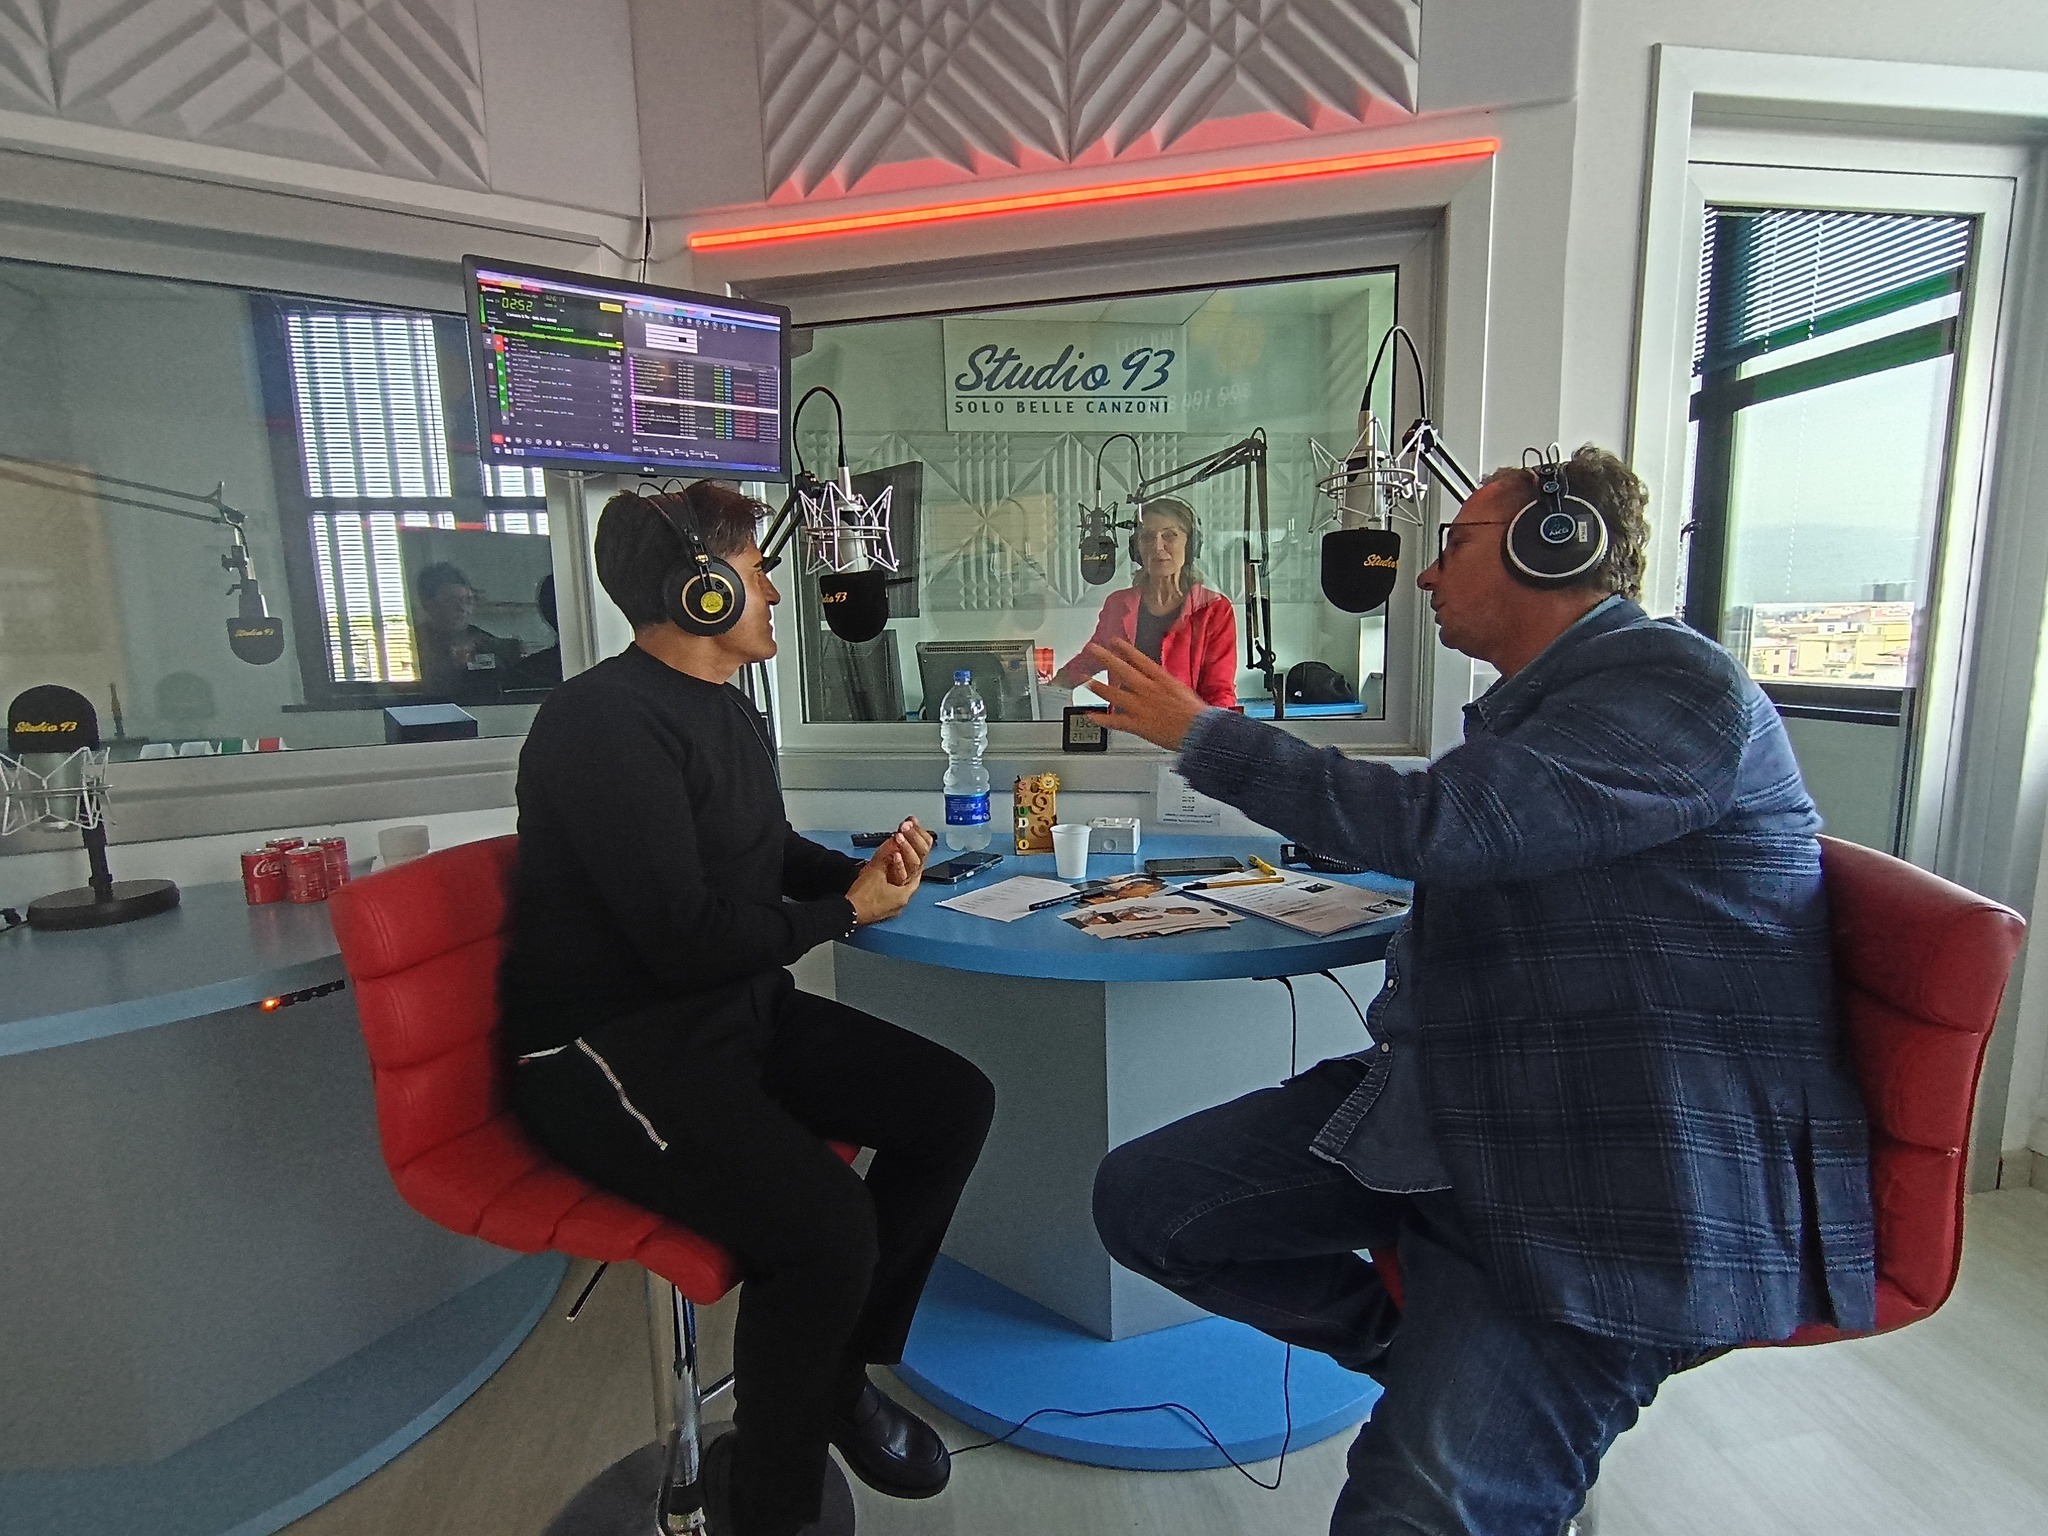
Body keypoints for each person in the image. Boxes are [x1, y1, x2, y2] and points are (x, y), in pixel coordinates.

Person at [1086, 446, 1874, 1536]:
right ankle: (1425, 1364)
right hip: (1459, 1110)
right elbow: (1476, 830)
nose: (1423, 573)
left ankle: (1472, 1397)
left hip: (1611, 1181)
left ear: (1554, 546)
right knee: (1147, 1203)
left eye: (1453, 544)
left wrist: (1201, 734)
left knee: (1409, 1519)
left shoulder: (1674, 685)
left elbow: (1449, 825)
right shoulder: (1545, 709)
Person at [501, 481, 995, 1536]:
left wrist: (861, 875)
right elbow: (680, 935)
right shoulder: (598, 725)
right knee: (826, 1232)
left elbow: (761, 851)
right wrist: (844, 914)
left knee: (952, 1104)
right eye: (758, 569)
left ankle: (836, 1377)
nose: (774, 591)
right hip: (610, 1055)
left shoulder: (722, 703)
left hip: (730, 1014)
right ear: (701, 588)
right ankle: (769, 1505)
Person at [1052, 496, 1237, 707]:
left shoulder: (1214, 609)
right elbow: (1091, 659)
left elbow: (1219, 692)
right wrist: (1051, 689)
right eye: (1147, 537)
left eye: (1170, 535)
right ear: (1136, 548)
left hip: (1185, 727)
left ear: (1190, 545)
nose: (1157, 547)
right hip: (1125, 725)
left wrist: (1216, 728)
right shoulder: (1118, 604)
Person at [411, 561, 513, 697]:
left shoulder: (487, 643)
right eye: (451, 601)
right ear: (428, 604)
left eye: (468, 600)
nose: (463, 608)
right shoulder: (412, 645)